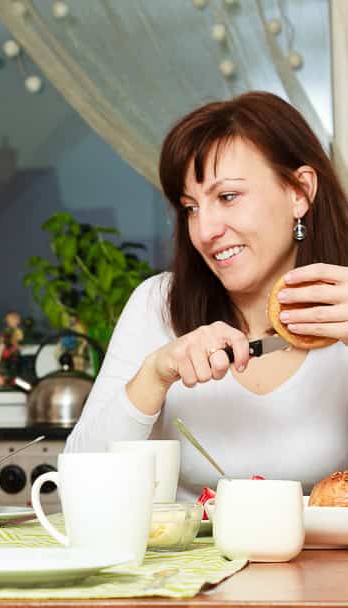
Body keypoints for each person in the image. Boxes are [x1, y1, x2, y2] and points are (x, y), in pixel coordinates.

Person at [66, 91, 348, 501]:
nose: (204, 231)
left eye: (227, 196)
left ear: (299, 192)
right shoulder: (157, 304)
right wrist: (155, 373)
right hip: (185, 565)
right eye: (190, 207)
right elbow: (80, 480)